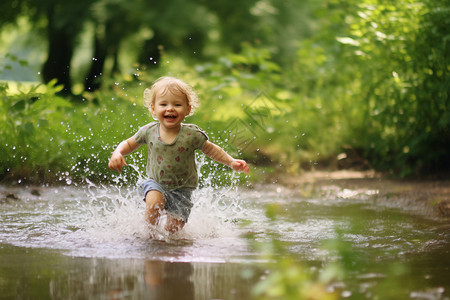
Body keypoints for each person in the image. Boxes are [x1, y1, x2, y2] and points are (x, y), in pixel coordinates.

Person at [108, 76, 249, 233]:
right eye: (163, 104)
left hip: (182, 190)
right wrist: (118, 152)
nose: (170, 108)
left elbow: (211, 149)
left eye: (177, 104)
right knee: (154, 203)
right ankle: (149, 237)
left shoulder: (192, 134)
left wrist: (231, 162)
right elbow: (128, 143)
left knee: (173, 231)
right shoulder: (149, 131)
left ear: (187, 109)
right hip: (156, 183)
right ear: (153, 109)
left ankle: (169, 250)